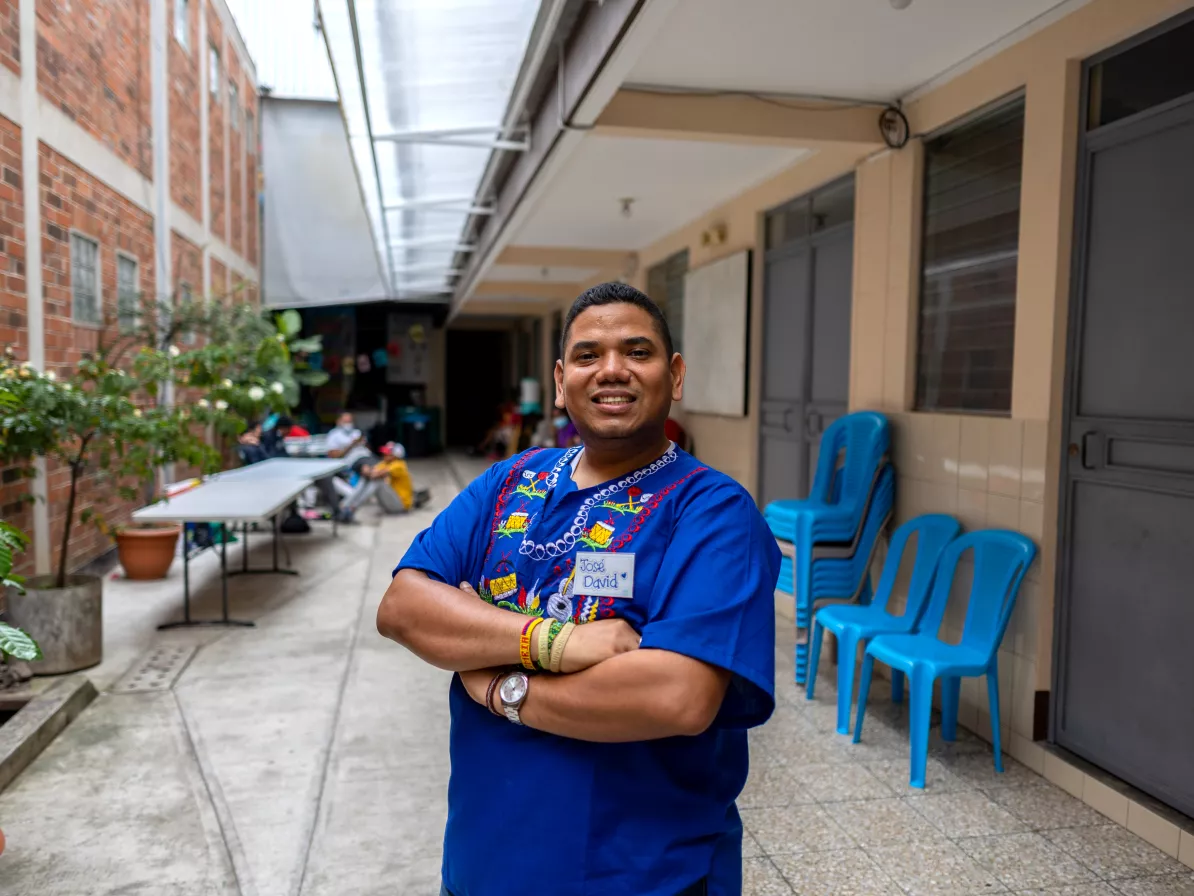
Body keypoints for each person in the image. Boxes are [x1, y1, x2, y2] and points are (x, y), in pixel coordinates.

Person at [377, 282, 780, 896]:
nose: (612, 370)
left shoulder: (712, 510)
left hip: (644, 876)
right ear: (561, 379)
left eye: (636, 352)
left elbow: (677, 693)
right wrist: (555, 645)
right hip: (482, 865)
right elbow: (405, 607)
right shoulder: (509, 480)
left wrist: (498, 685)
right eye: (590, 355)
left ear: (674, 376)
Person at [339, 441, 431, 516]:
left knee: (377, 482)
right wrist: (367, 469)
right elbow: (373, 471)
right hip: (392, 502)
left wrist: (369, 472)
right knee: (366, 478)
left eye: (387, 454)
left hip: (401, 506)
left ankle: (352, 509)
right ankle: (345, 505)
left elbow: (376, 475)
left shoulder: (399, 465)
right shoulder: (386, 463)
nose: (384, 455)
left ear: (395, 456)